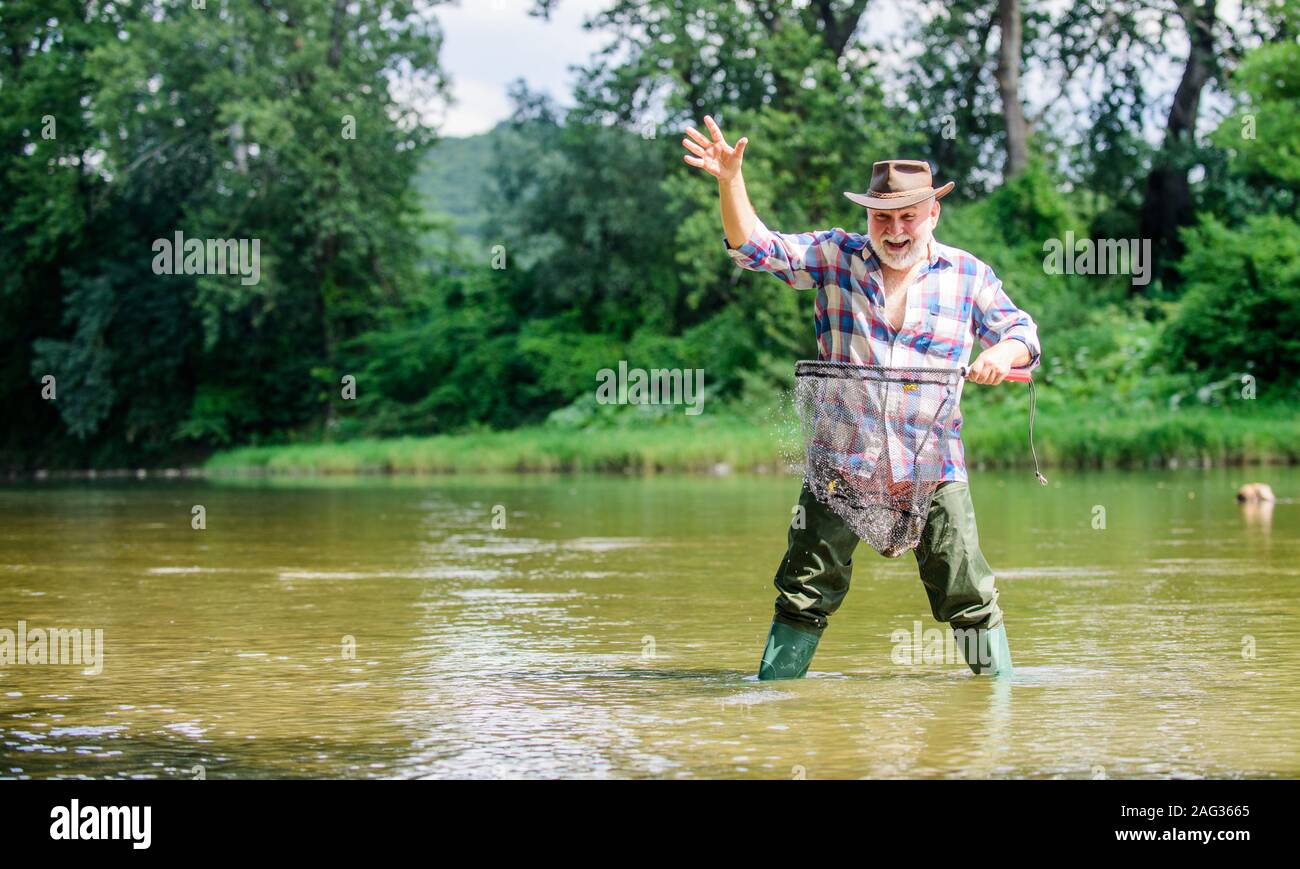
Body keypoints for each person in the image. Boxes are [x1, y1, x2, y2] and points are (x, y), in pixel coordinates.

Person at [681, 115, 1042, 680]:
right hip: (841, 463)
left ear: (932, 214)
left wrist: (1001, 355)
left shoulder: (968, 275)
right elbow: (755, 249)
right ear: (867, 216)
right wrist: (731, 181)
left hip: (934, 465)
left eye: (907, 216)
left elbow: (1023, 333)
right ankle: (773, 701)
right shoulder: (834, 256)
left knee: (967, 593)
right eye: (882, 217)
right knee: (804, 590)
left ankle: (997, 705)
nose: (895, 229)